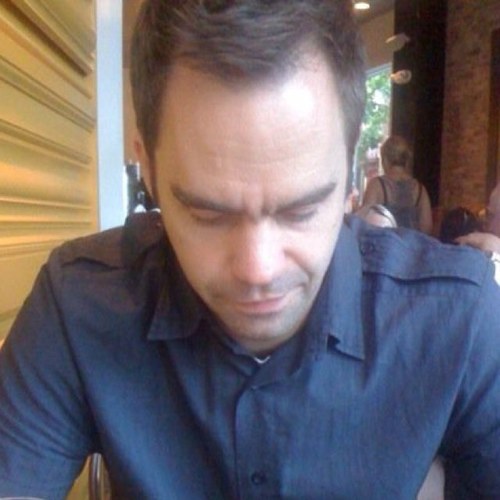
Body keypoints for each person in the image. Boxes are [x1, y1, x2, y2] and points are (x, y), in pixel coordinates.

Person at [0, 1, 499, 498]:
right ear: (147, 169)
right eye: (207, 214)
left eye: (301, 210)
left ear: (351, 171)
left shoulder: (461, 316)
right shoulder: (77, 303)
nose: (258, 270)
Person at [362, 135, 433, 234]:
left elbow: (364, 223)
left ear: (385, 159)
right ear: (406, 159)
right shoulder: (420, 190)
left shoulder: (377, 185)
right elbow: (427, 228)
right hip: (411, 243)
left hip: (383, 242)